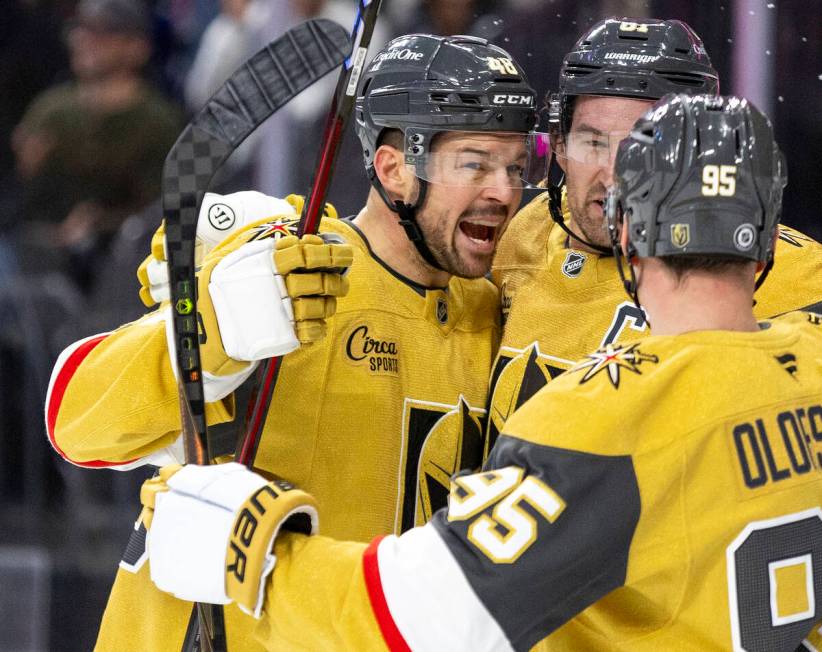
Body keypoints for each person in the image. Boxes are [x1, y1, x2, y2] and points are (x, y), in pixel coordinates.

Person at [139, 93, 822, 651]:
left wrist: (253, 550)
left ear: (626, 235)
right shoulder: (813, 360)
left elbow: (429, 617)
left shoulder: (606, 414)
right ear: (766, 244)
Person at [46, 34, 539, 649]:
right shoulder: (288, 266)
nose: (503, 189)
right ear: (392, 168)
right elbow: (74, 420)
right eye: (473, 162)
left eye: (517, 166)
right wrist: (211, 326)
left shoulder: (500, 313)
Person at [487, 17, 822, 450]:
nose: (612, 175)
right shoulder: (516, 233)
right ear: (561, 146)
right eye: (592, 143)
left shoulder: (778, 266)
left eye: (637, 149)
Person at [12, 0, 182, 289]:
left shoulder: (158, 121)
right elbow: (26, 201)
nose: (84, 40)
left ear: (136, 47)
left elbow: (161, 211)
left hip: (123, 267)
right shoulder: (51, 110)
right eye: (81, 29)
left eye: (104, 33)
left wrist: (99, 224)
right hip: (41, 264)